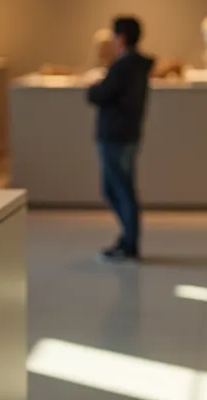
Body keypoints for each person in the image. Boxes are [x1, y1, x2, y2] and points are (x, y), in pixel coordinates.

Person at [86, 16, 154, 263]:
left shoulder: (124, 66)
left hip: (116, 135)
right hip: (127, 134)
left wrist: (94, 88)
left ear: (121, 38)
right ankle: (128, 239)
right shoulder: (137, 66)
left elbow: (100, 94)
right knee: (119, 187)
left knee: (119, 189)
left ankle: (129, 242)